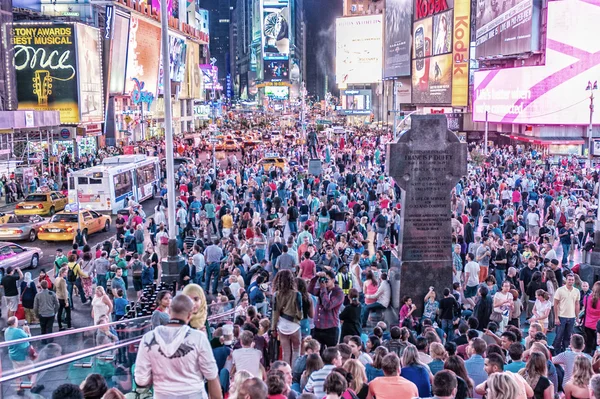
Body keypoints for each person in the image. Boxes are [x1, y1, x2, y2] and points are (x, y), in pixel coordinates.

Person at [134, 294, 222, 399]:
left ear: (169, 312)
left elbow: (141, 380)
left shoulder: (148, 339)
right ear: (189, 315)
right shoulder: (199, 338)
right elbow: (212, 375)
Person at [272, 270, 303, 367]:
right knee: (296, 350)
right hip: (294, 325)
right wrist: (298, 317)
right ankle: (294, 373)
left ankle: (285, 373)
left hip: (282, 326)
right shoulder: (296, 294)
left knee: (286, 352)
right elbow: (300, 313)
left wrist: (273, 328)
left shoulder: (276, 295)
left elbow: (275, 313)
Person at [5, 316, 42, 394]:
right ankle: (33, 386)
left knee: (17, 372)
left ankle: (19, 388)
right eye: (17, 321)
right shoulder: (18, 331)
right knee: (32, 371)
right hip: (22, 355)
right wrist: (27, 331)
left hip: (13, 355)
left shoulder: (7, 331)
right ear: (14, 323)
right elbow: (28, 338)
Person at [308, 271, 344, 349]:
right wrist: (316, 278)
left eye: (327, 280)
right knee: (316, 353)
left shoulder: (338, 292)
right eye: (323, 279)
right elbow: (310, 290)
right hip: (318, 327)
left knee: (331, 353)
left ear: (333, 280)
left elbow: (328, 305)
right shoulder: (322, 289)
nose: (324, 282)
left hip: (330, 328)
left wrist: (323, 289)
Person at [554, 274, 581, 353]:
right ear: (566, 280)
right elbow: (555, 304)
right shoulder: (560, 290)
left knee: (568, 337)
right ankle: (556, 353)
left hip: (572, 317)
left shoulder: (577, 291)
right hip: (561, 316)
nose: (571, 281)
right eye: (569, 279)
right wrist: (556, 317)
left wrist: (577, 316)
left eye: (572, 280)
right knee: (558, 336)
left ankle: (565, 352)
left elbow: (577, 304)